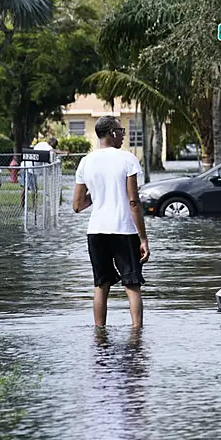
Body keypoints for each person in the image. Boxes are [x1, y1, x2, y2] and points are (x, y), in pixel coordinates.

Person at [72, 116, 150, 328]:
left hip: (96, 231)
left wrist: (99, 194)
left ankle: (99, 334)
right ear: (112, 133)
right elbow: (133, 201)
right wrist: (143, 238)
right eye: (121, 131)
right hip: (123, 229)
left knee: (101, 285)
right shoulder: (127, 159)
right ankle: (136, 333)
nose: (123, 135)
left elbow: (77, 205)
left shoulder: (86, 161)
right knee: (132, 284)